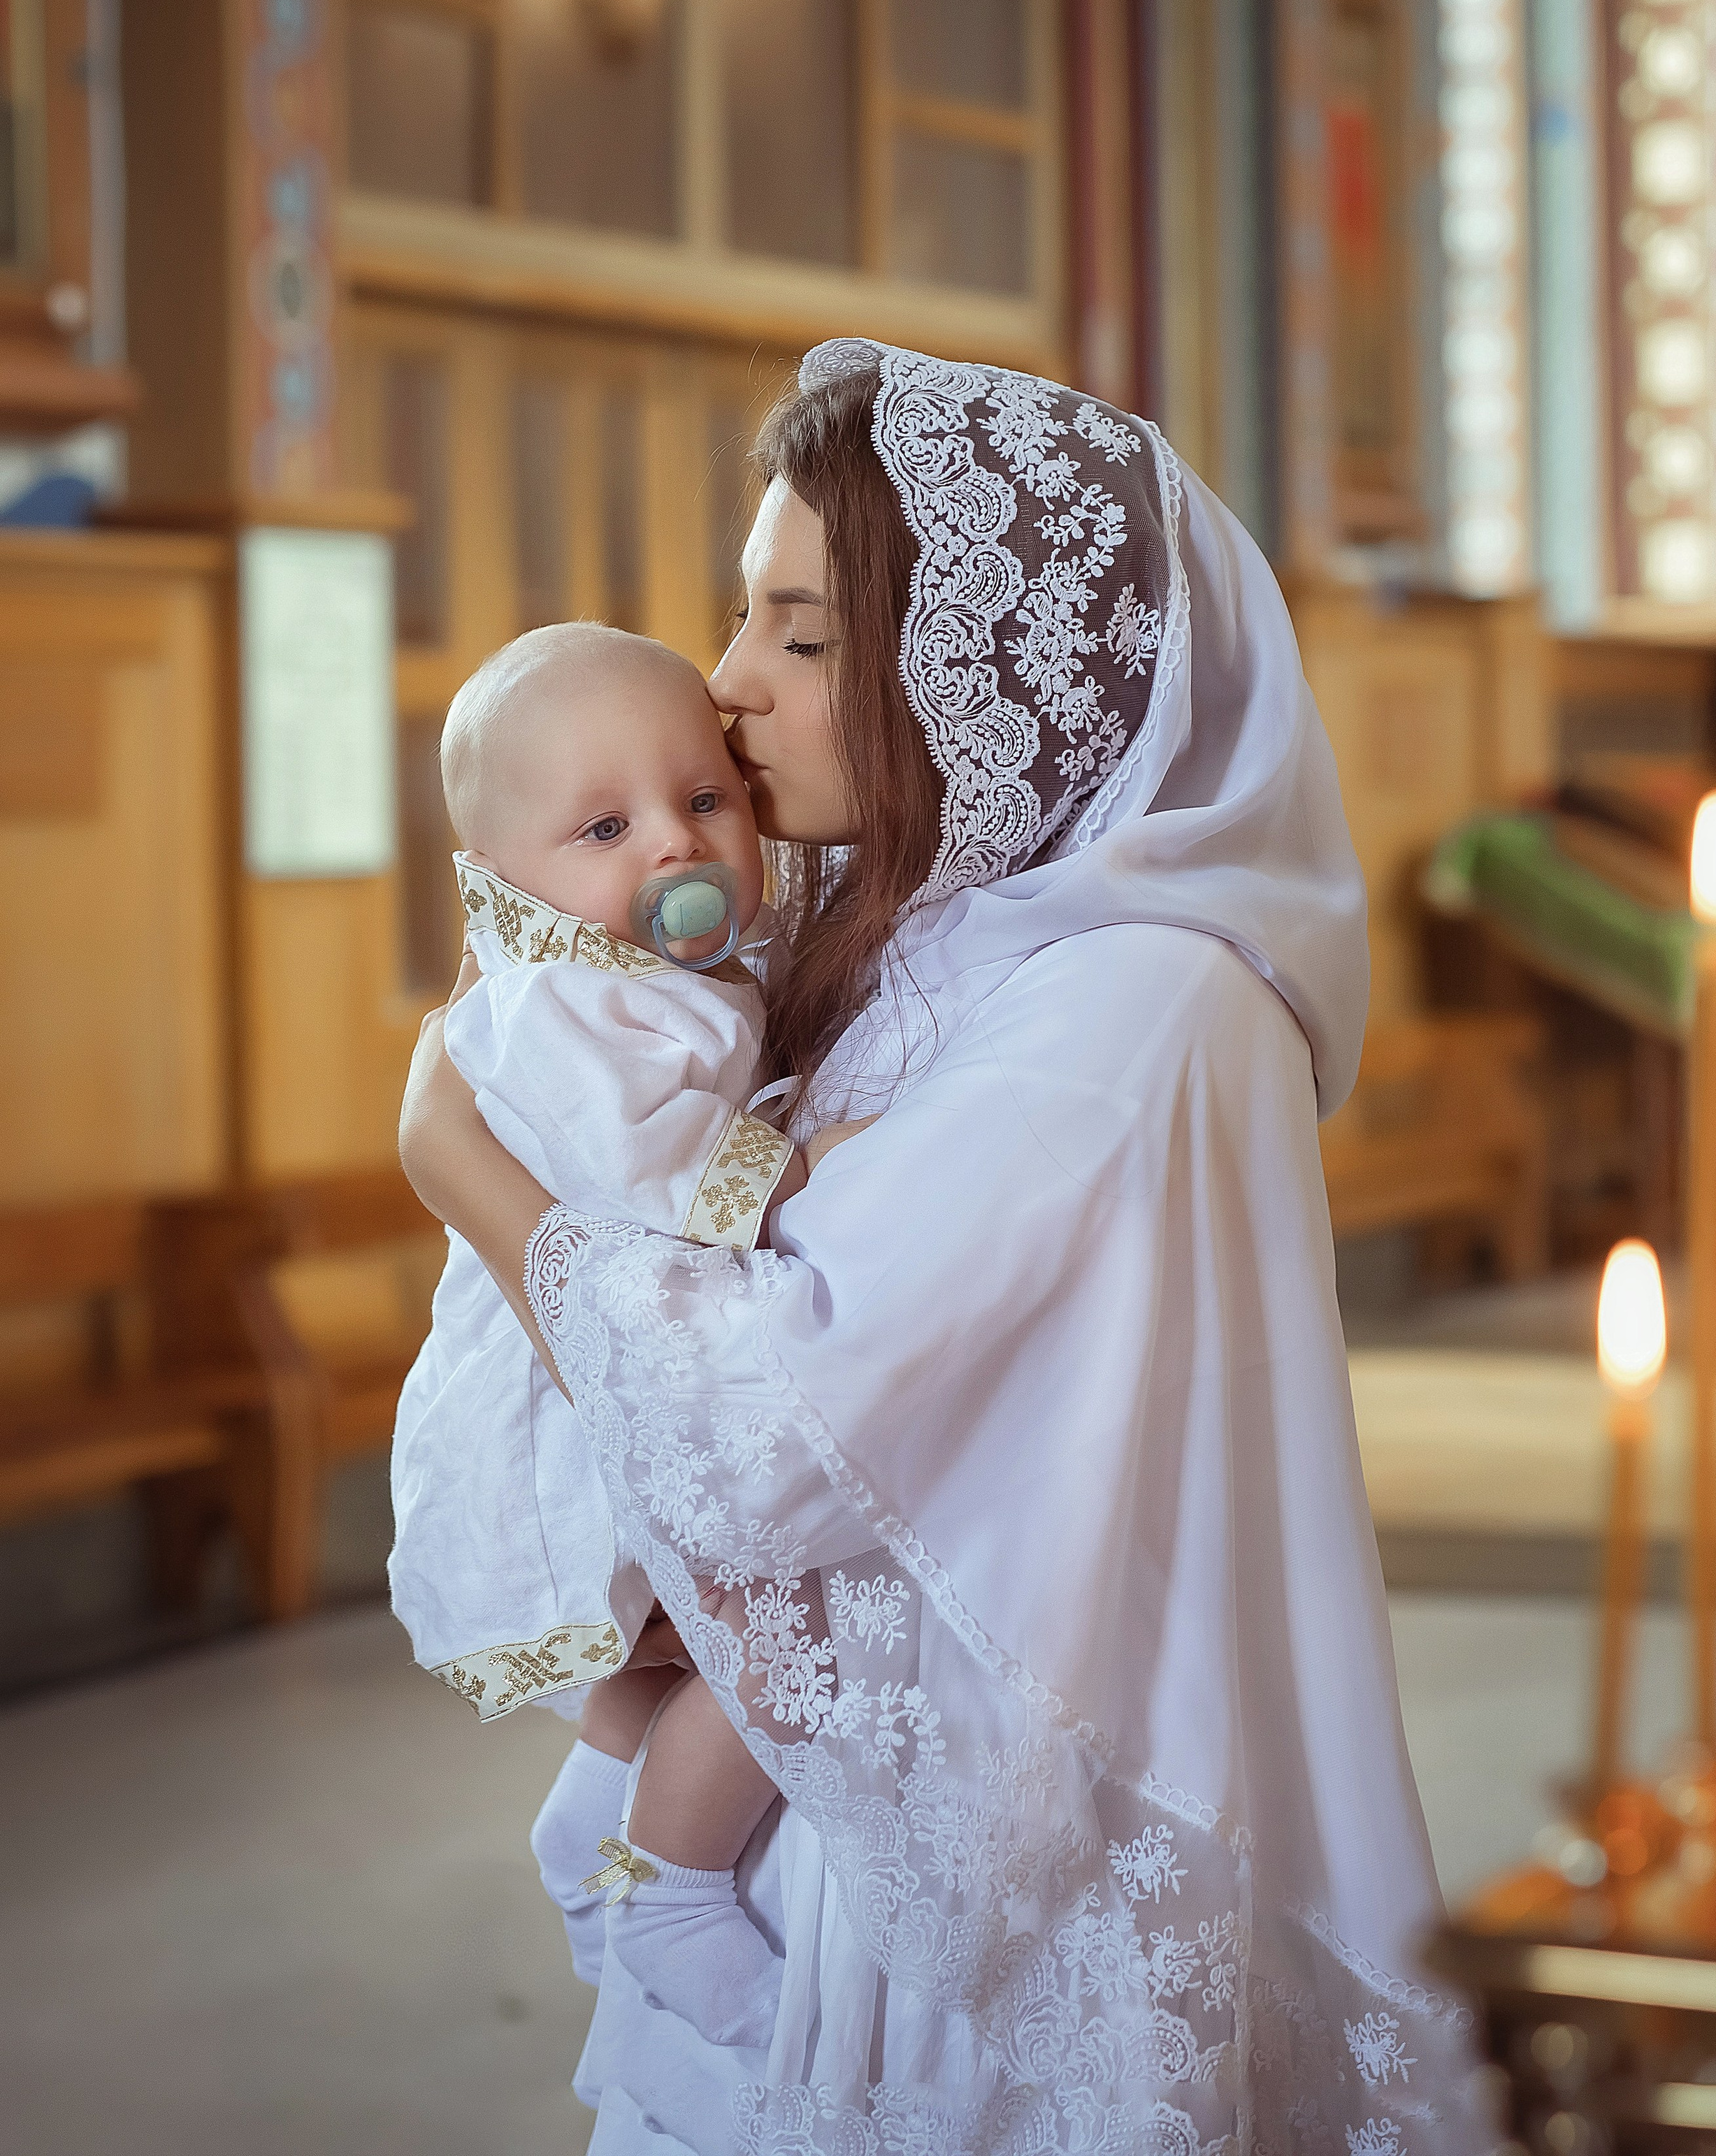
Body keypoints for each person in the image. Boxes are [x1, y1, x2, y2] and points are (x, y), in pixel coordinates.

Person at [400, 342, 1490, 2153]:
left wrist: (457, 1156)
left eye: (803, 634)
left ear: (979, 668)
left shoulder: (1136, 1003)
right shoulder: (916, 926)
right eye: (743, 616)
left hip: (977, 1885)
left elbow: (769, 1427)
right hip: (823, 1811)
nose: (729, 689)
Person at [387, 623, 821, 2048]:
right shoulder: (558, 1011)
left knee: (670, 1647)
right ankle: (677, 1885)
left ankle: (591, 1825)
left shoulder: (647, 980)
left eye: (704, 800)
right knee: (761, 1629)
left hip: (607, 1357)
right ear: (502, 875)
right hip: (565, 1388)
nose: (672, 850)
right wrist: (811, 1159)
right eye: (604, 825)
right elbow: (649, 1181)